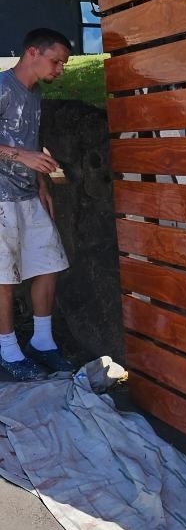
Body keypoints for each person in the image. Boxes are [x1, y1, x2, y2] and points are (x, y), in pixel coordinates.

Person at [0, 28, 74, 380]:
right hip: (0, 197)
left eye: (63, 63)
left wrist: (42, 183)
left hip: (29, 194)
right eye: (56, 60)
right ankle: (8, 350)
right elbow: (23, 149)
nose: (60, 68)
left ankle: (43, 342)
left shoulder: (35, 95)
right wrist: (23, 157)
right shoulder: (1, 86)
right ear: (32, 52)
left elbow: (31, 142)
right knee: (4, 277)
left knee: (49, 262)